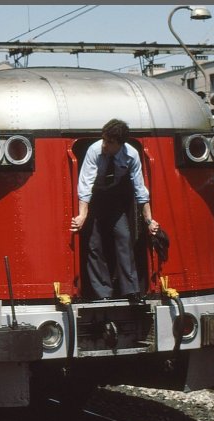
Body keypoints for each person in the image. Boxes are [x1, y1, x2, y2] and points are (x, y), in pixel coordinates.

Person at [70, 118, 159, 301]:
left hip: (113, 197)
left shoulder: (131, 155)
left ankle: (131, 290)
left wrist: (149, 221)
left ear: (120, 144)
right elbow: (85, 184)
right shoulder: (94, 150)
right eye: (104, 139)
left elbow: (140, 189)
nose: (104, 145)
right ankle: (103, 293)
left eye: (109, 142)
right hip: (94, 198)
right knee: (94, 244)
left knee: (124, 238)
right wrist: (82, 215)